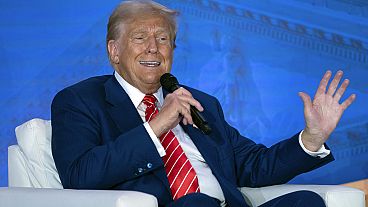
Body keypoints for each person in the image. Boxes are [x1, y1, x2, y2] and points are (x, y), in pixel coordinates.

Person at [51, 1, 356, 207]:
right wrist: (157, 125)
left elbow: (252, 166)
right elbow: (80, 175)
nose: (153, 49)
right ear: (114, 50)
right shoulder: (79, 101)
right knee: (197, 202)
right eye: (140, 37)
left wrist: (312, 138)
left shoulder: (200, 103)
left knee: (305, 202)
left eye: (163, 39)